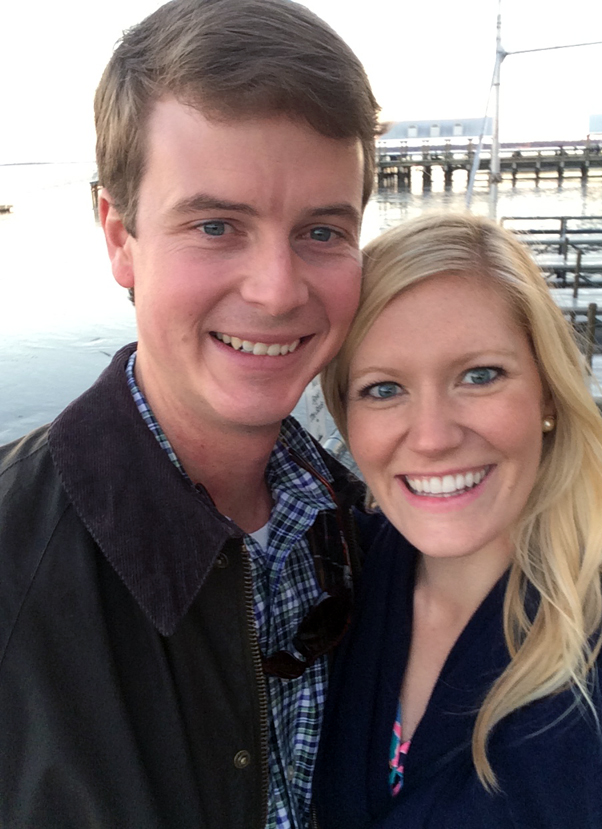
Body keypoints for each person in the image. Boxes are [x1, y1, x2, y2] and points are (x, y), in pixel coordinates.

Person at [0, 2, 379, 827]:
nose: (276, 290)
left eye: (321, 231)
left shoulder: (373, 533)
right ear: (119, 236)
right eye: (215, 225)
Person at [314, 212, 602, 828]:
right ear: (346, 418)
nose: (433, 437)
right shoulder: (328, 588)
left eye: (480, 376)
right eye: (383, 389)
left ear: (547, 394)